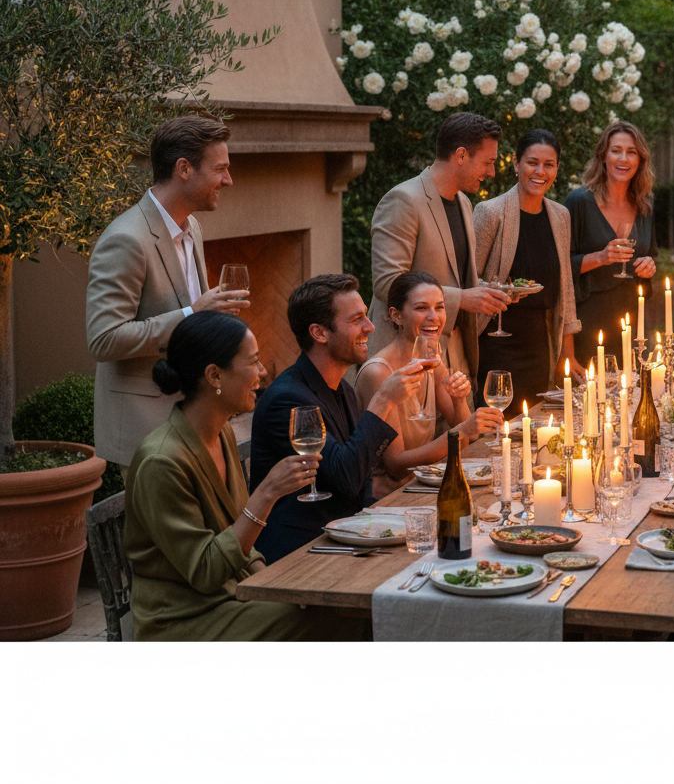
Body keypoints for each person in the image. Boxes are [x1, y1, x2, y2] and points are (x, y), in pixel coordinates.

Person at [124, 312, 350, 640]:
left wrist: (277, 585)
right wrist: (267, 492)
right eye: (253, 361)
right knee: (333, 619)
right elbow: (205, 572)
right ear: (215, 375)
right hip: (183, 620)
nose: (262, 372)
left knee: (329, 602)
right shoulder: (162, 462)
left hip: (232, 596)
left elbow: (240, 544)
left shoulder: (222, 435)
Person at [86, 115, 250, 475]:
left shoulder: (192, 226)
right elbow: (104, 339)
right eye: (220, 169)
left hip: (195, 419)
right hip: (148, 429)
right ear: (184, 169)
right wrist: (192, 315)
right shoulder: (126, 240)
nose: (228, 179)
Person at [248, 274, 425, 563]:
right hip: (301, 552)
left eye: (366, 317)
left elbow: (360, 472)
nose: (370, 327)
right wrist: (383, 399)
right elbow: (345, 478)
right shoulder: (287, 399)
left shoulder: (341, 385)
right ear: (319, 333)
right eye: (356, 320)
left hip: (345, 535)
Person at [367, 111, 510, 381]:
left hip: (453, 359)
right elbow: (387, 283)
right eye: (488, 162)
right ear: (460, 155)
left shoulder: (465, 204)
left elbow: (452, 276)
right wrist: (463, 299)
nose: (491, 172)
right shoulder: (403, 200)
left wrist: (487, 290)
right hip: (406, 362)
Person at [354, 272, 504, 495]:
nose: (434, 317)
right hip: (385, 498)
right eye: (421, 308)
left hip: (422, 486)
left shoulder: (431, 361)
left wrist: (459, 398)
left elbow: (466, 440)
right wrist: (461, 432)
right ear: (396, 316)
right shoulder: (379, 372)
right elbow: (396, 466)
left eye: (439, 307)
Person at [473, 129, 585, 410]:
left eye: (549, 165)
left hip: (540, 345)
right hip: (495, 342)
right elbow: (466, 280)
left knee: (535, 427)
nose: (540, 172)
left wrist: (567, 354)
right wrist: (497, 293)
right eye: (532, 162)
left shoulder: (560, 216)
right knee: (497, 431)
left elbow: (565, 287)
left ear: (557, 168)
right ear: (515, 163)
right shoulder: (490, 212)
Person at [564, 122, 657, 367]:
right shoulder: (579, 202)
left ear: (640, 160)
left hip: (631, 323)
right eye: (616, 150)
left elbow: (651, 254)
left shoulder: (645, 205)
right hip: (587, 323)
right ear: (603, 156)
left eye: (632, 152)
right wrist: (601, 258)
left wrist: (649, 265)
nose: (623, 158)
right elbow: (559, 266)